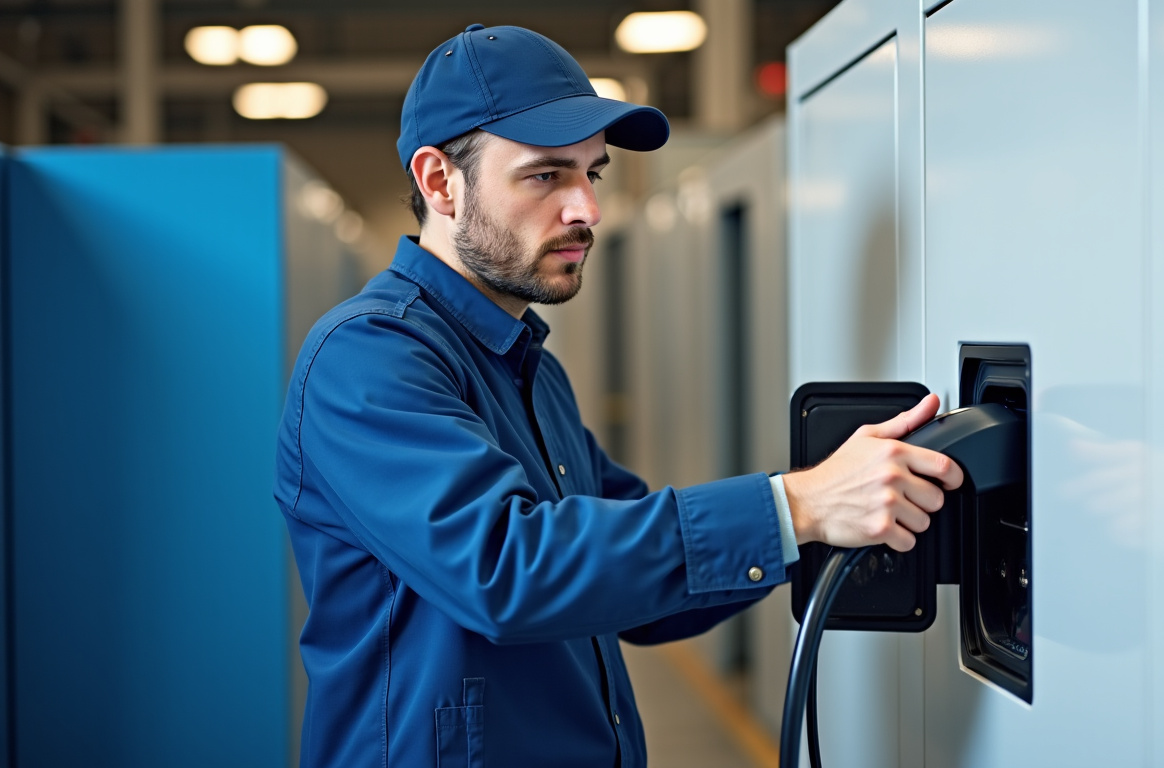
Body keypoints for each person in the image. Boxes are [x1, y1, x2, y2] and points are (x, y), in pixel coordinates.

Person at [273, 23, 963, 768]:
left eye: (591, 174)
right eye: (545, 176)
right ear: (440, 181)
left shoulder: (529, 367)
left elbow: (636, 576)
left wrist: (835, 510)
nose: (587, 210)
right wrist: (794, 506)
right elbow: (507, 568)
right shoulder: (368, 357)